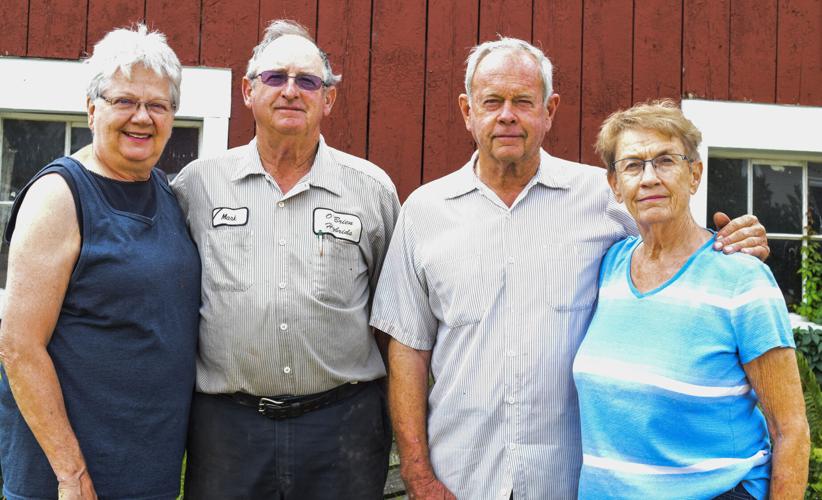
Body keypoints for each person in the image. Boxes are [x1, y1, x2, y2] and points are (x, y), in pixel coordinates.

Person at [369, 38, 769, 500]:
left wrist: (734, 242)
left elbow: (677, 251)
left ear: (549, 109)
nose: (507, 116)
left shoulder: (604, 200)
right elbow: (407, 351)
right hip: (462, 476)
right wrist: (419, 479)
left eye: (523, 101)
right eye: (492, 102)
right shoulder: (424, 210)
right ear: (467, 110)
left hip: (575, 481)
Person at [172, 19, 399, 499]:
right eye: (275, 78)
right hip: (227, 429)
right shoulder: (197, 186)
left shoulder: (372, 191)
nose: (291, 91)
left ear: (328, 98)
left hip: (342, 427)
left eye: (308, 81)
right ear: (248, 91)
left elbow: (396, 317)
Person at [0, 25, 200, 500]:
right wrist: (71, 475)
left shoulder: (166, 193)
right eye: (125, 101)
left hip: (145, 469)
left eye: (157, 105)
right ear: (92, 109)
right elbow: (19, 347)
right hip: (69, 478)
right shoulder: (61, 195)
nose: (142, 117)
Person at [572, 100, 809, 499]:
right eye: (632, 165)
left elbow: (790, 429)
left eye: (665, 161)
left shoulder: (741, 278)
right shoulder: (609, 265)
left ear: (694, 173)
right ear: (614, 185)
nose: (649, 178)